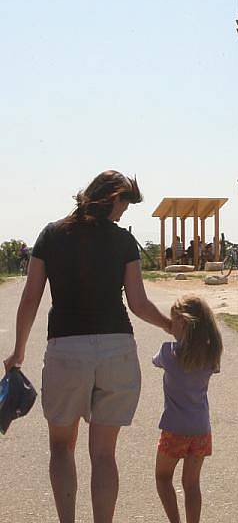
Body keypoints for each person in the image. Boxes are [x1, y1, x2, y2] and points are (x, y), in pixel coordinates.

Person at [3, 170, 172, 523]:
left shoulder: (51, 235)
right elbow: (139, 303)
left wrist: (18, 351)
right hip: (116, 348)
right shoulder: (123, 242)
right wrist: (172, 327)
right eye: (123, 204)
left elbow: (30, 299)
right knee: (104, 455)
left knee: (62, 447)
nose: (123, 213)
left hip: (67, 349)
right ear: (111, 198)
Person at [153, 294, 223, 523]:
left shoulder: (168, 353)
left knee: (163, 477)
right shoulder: (210, 355)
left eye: (173, 320)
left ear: (182, 322)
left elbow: (155, 361)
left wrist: (169, 332)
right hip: (201, 430)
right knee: (191, 484)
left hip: (174, 429)